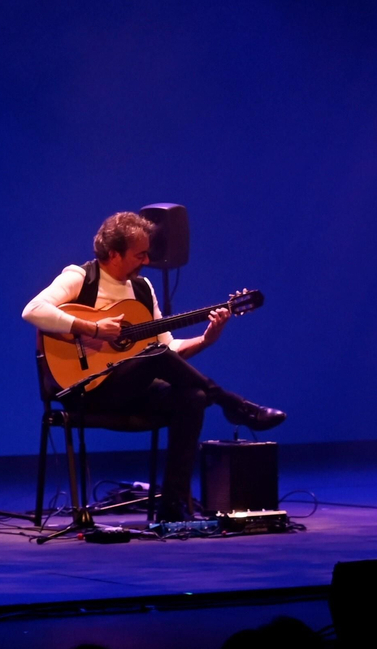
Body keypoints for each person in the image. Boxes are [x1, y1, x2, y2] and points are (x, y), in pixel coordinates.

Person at [23, 212, 284, 522]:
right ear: (114, 254)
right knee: (154, 355)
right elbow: (33, 310)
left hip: (131, 389)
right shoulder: (81, 277)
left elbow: (168, 348)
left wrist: (205, 339)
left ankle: (173, 505)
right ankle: (232, 403)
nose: (146, 261)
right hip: (85, 390)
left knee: (193, 397)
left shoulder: (142, 288)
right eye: (140, 255)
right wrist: (93, 328)